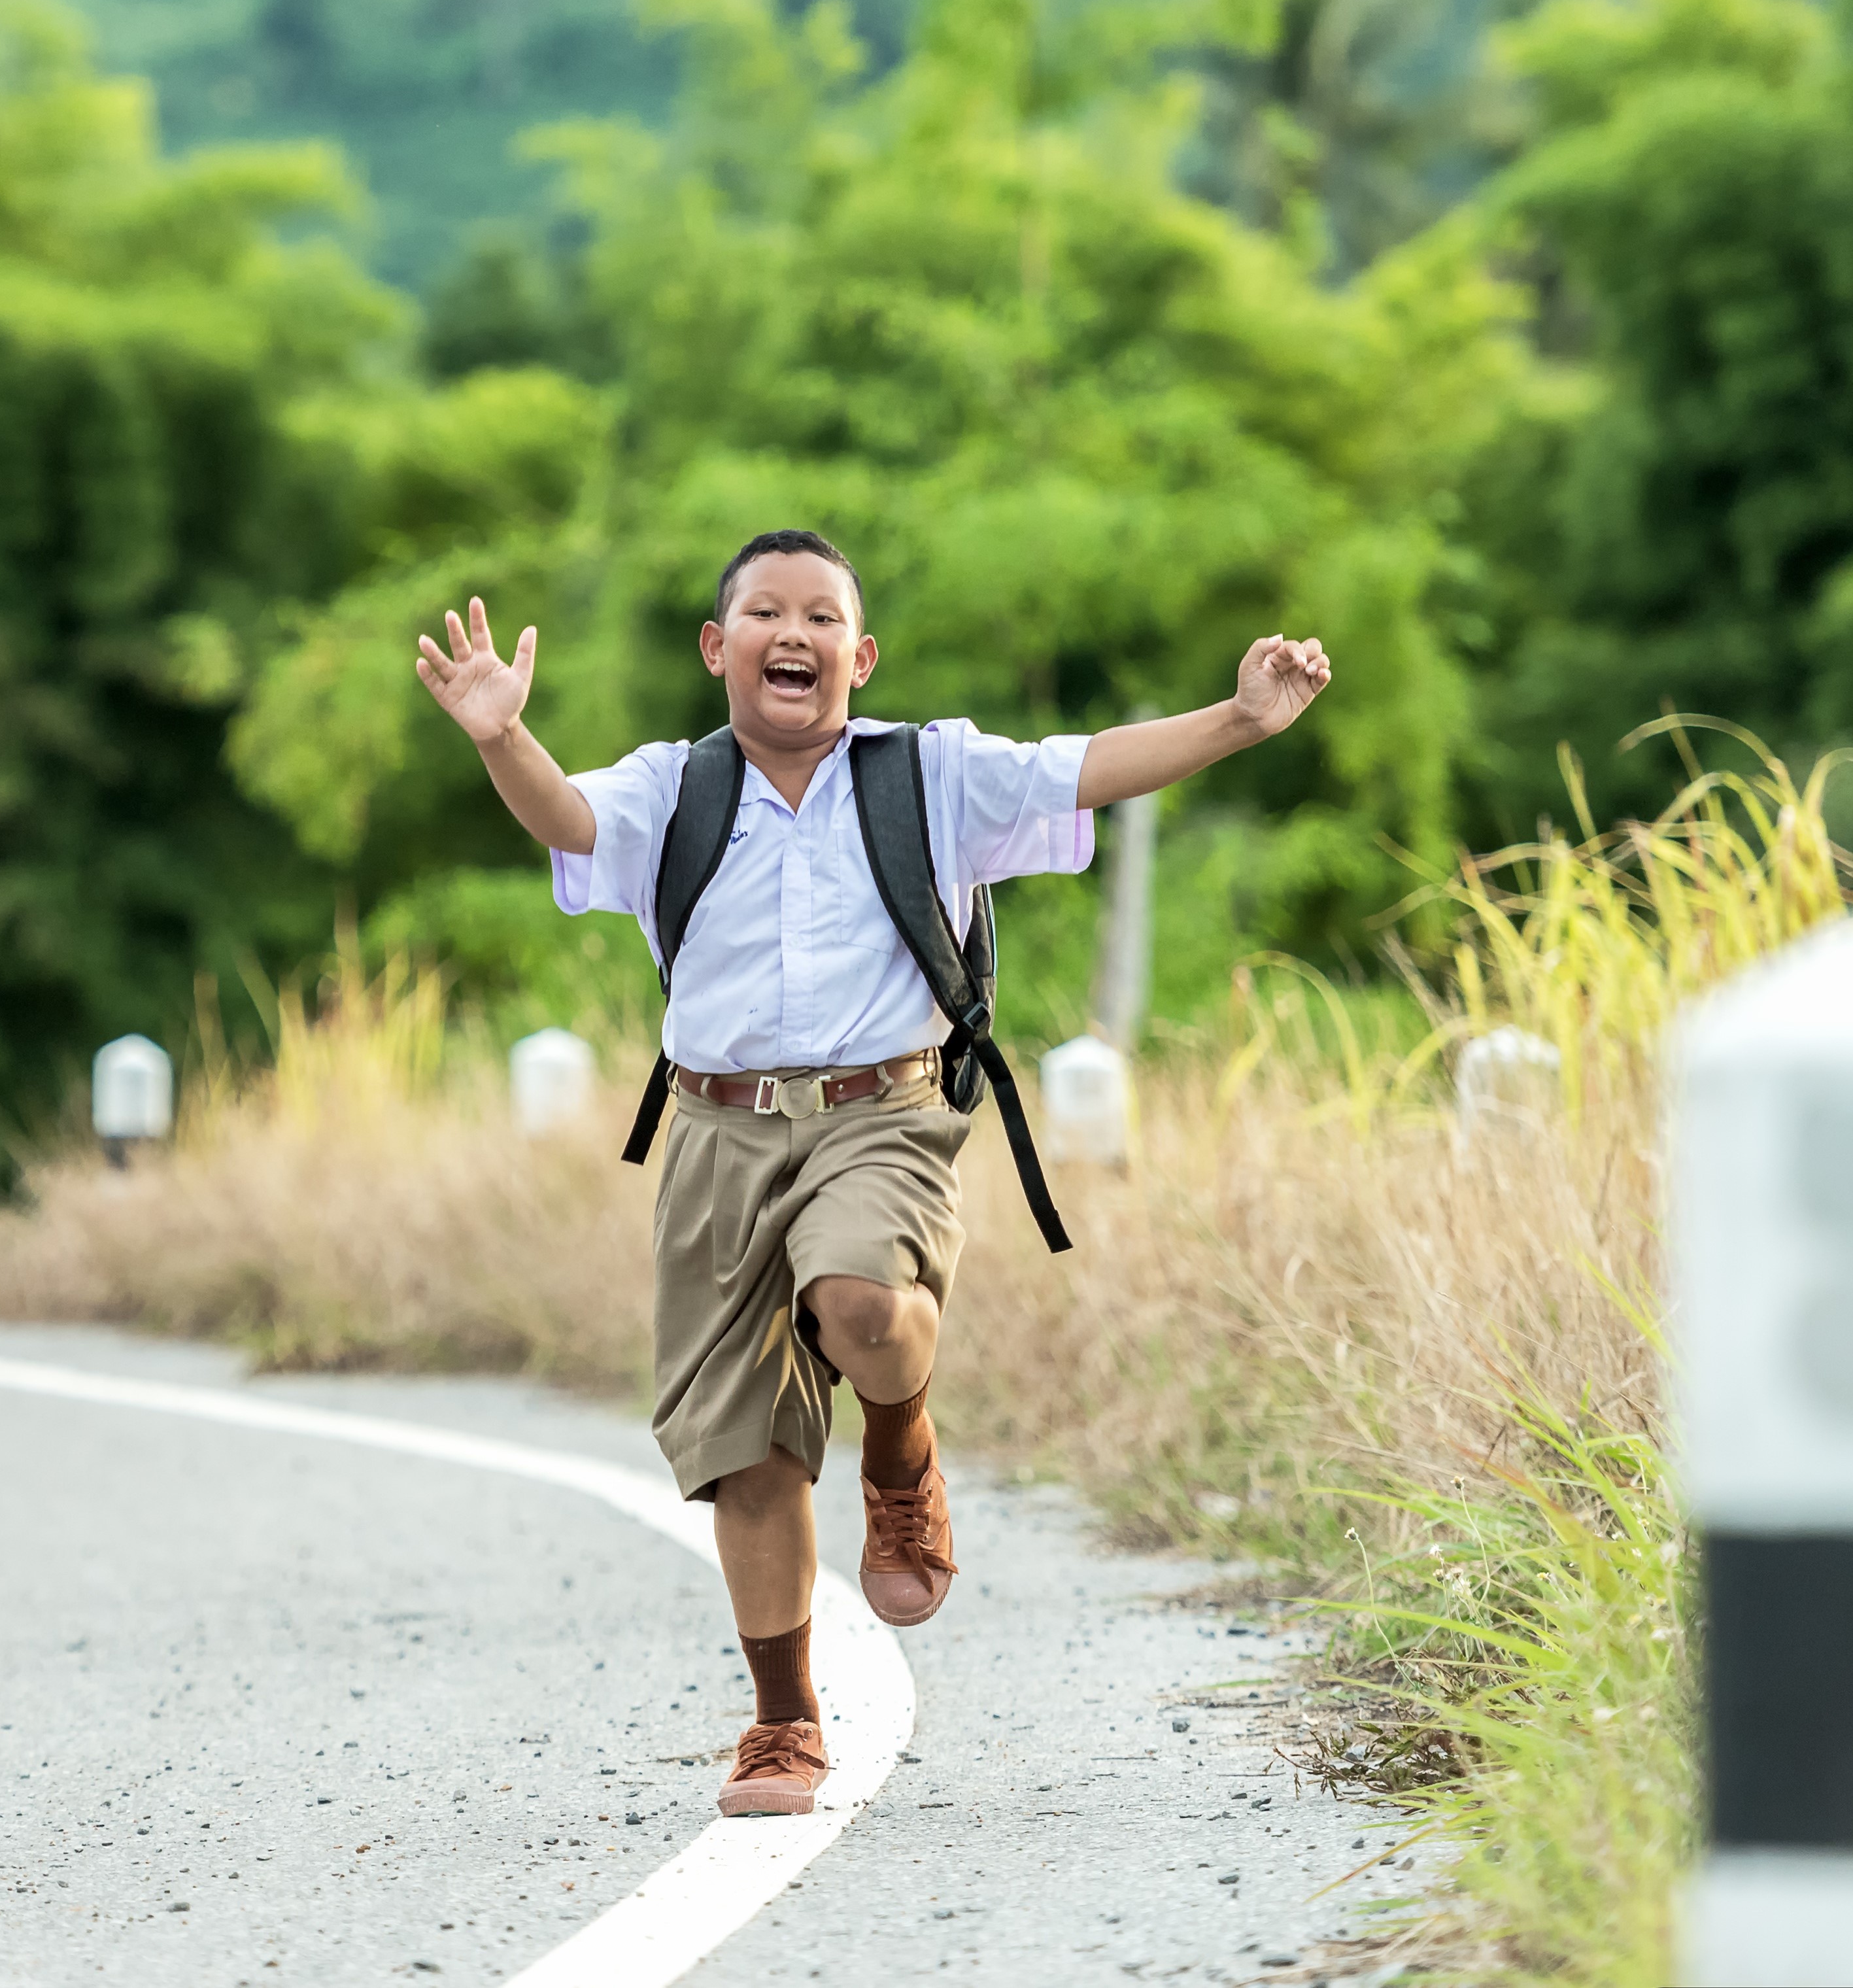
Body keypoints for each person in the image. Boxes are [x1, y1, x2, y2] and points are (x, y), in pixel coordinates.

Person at [415, 529, 1331, 1817]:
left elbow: (1086, 769)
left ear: (860, 652)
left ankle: (900, 1446)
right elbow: (565, 819)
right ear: (715, 647)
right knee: (748, 1452)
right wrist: (502, 736)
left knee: (859, 1299)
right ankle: (784, 1724)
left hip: (881, 1116)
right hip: (715, 1134)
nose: (792, 635)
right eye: (763, 615)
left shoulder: (931, 777)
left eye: (820, 617)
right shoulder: (671, 790)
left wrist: (1239, 718)